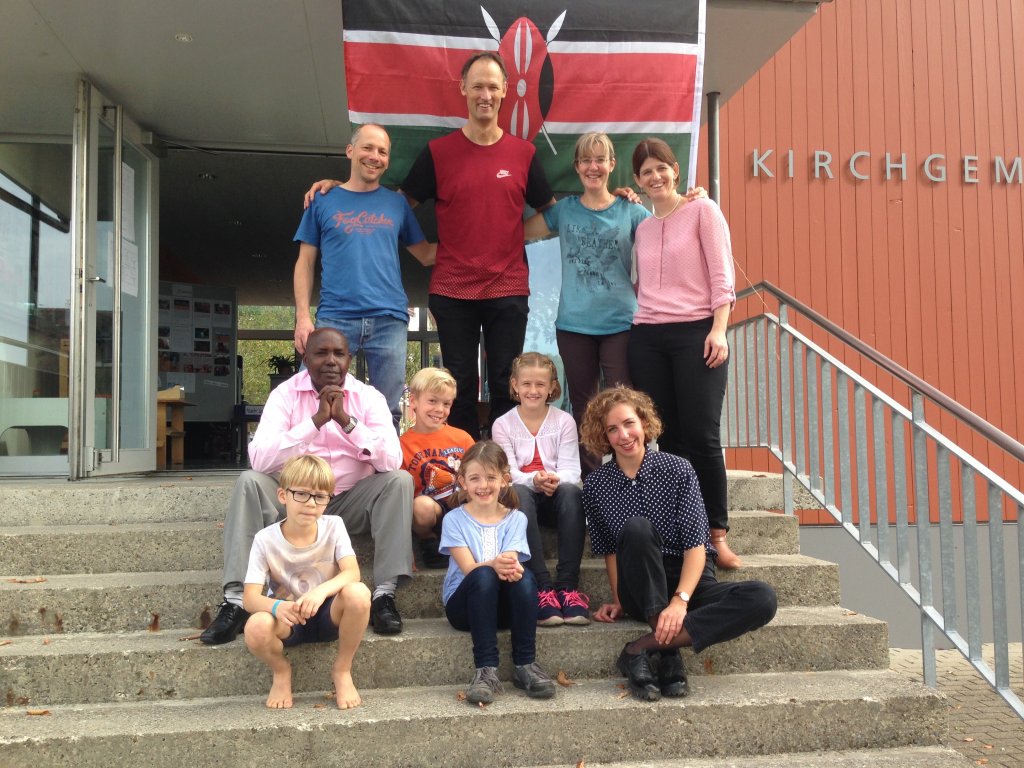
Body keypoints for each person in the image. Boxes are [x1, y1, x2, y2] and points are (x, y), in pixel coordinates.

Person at [307, 52, 557, 438]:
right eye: (478, 86)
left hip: (508, 286)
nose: (485, 95)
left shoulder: (523, 154)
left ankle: (503, 459)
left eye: (493, 87)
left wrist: (508, 236)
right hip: (452, 289)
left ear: (506, 91)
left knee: (506, 379)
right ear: (463, 89)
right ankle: (461, 459)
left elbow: (551, 214)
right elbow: (392, 207)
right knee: (458, 382)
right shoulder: (439, 153)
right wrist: (341, 191)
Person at [200, 327, 413, 645]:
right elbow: (260, 459)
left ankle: (383, 596)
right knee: (249, 482)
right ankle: (236, 602)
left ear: (349, 359)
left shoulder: (369, 398)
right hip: (296, 502)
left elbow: (392, 460)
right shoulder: (284, 396)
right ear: (306, 357)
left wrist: (346, 422)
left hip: (350, 500)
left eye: (339, 354)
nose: (331, 361)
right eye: (321, 353)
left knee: (399, 481)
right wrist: (315, 422)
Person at [580, 386, 777, 701]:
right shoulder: (596, 485)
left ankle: (642, 649)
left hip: (689, 579)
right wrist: (619, 599)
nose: (623, 435)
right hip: (641, 584)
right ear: (603, 436)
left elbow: (696, 546)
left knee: (762, 598)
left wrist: (680, 601)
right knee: (637, 528)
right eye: (612, 429)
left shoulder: (677, 469)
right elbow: (610, 552)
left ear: (644, 423)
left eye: (629, 423)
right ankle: (669, 655)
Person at [628, 137, 742, 569]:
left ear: (676, 170)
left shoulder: (702, 210)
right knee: (667, 438)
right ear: (638, 180)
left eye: (662, 168)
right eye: (646, 172)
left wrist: (719, 330)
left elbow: (722, 276)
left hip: (697, 333)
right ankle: (681, 531)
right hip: (648, 336)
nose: (655, 176)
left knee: (702, 435)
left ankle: (717, 534)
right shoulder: (642, 226)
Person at [521, 133, 649, 476]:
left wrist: (696, 201)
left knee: (625, 404)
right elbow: (514, 232)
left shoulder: (631, 211)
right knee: (585, 408)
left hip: (620, 323)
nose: (593, 167)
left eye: (600, 160)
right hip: (574, 325)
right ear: (577, 167)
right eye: (586, 160)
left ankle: (631, 479)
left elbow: (668, 227)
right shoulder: (564, 211)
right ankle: (593, 486)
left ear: (611, 165)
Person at [293, 124, 436, 429]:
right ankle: (316, 462)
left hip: (389, 320)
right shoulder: (323, 199)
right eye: (367, 148)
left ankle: (379, 463)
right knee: (315, 402)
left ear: (388, 160)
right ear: (350, 151)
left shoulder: (396, 204)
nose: (375, 156)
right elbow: (305, 262)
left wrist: (480, 244)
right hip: (335, 318)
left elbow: (425, 254)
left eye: (382, 151)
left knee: (387, 412)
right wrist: (302, 317)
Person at [242, 455, 371, 710]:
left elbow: (352, 573)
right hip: (288, 618)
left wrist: (320, 592)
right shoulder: (265, 539)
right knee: (256, 627)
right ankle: (281, 670)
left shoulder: (334, 526)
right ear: (283, 495)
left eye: (320, 496)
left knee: (358, 593)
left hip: (328, 614)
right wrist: (277, 607)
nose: (311, 503)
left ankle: (342, 670)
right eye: (301, 494)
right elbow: (249, 598)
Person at [440, 441, 556, 704]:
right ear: (463, 481)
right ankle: (485, 670)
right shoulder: (453, 520)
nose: (483, 485)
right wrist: (495, 565)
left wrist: (510, 567)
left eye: (491, 477)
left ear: (504, 480)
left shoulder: (516, 518)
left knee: (525, 577)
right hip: (464, 608)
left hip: (504, 610)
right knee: (483, 575)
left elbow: (510, 563)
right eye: (475, 478)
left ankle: (526, 664)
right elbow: (469, 569)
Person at [490, 352, 588, 627]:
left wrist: (552, 479)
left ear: (552, 387)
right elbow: (507, 474)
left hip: (556, 501)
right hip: (523, 502)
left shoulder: (564, 421)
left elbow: (572, 470)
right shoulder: (502, 424)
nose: (533, 390)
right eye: (526, 384)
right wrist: (534, 480)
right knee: (519, 493)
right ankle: (542, 588)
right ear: (515, 385)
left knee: (572, 492)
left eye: (540, 384)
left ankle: (567, 587)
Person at [400, 366, 475, 569]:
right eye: (432, 401)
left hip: (462, 508)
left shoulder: (462, 438)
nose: (440, 409)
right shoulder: (403, 444)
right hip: (432, 513)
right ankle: (430, 542)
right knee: (420, 506)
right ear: (414, 401)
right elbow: (400, 498)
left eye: (446, 403)